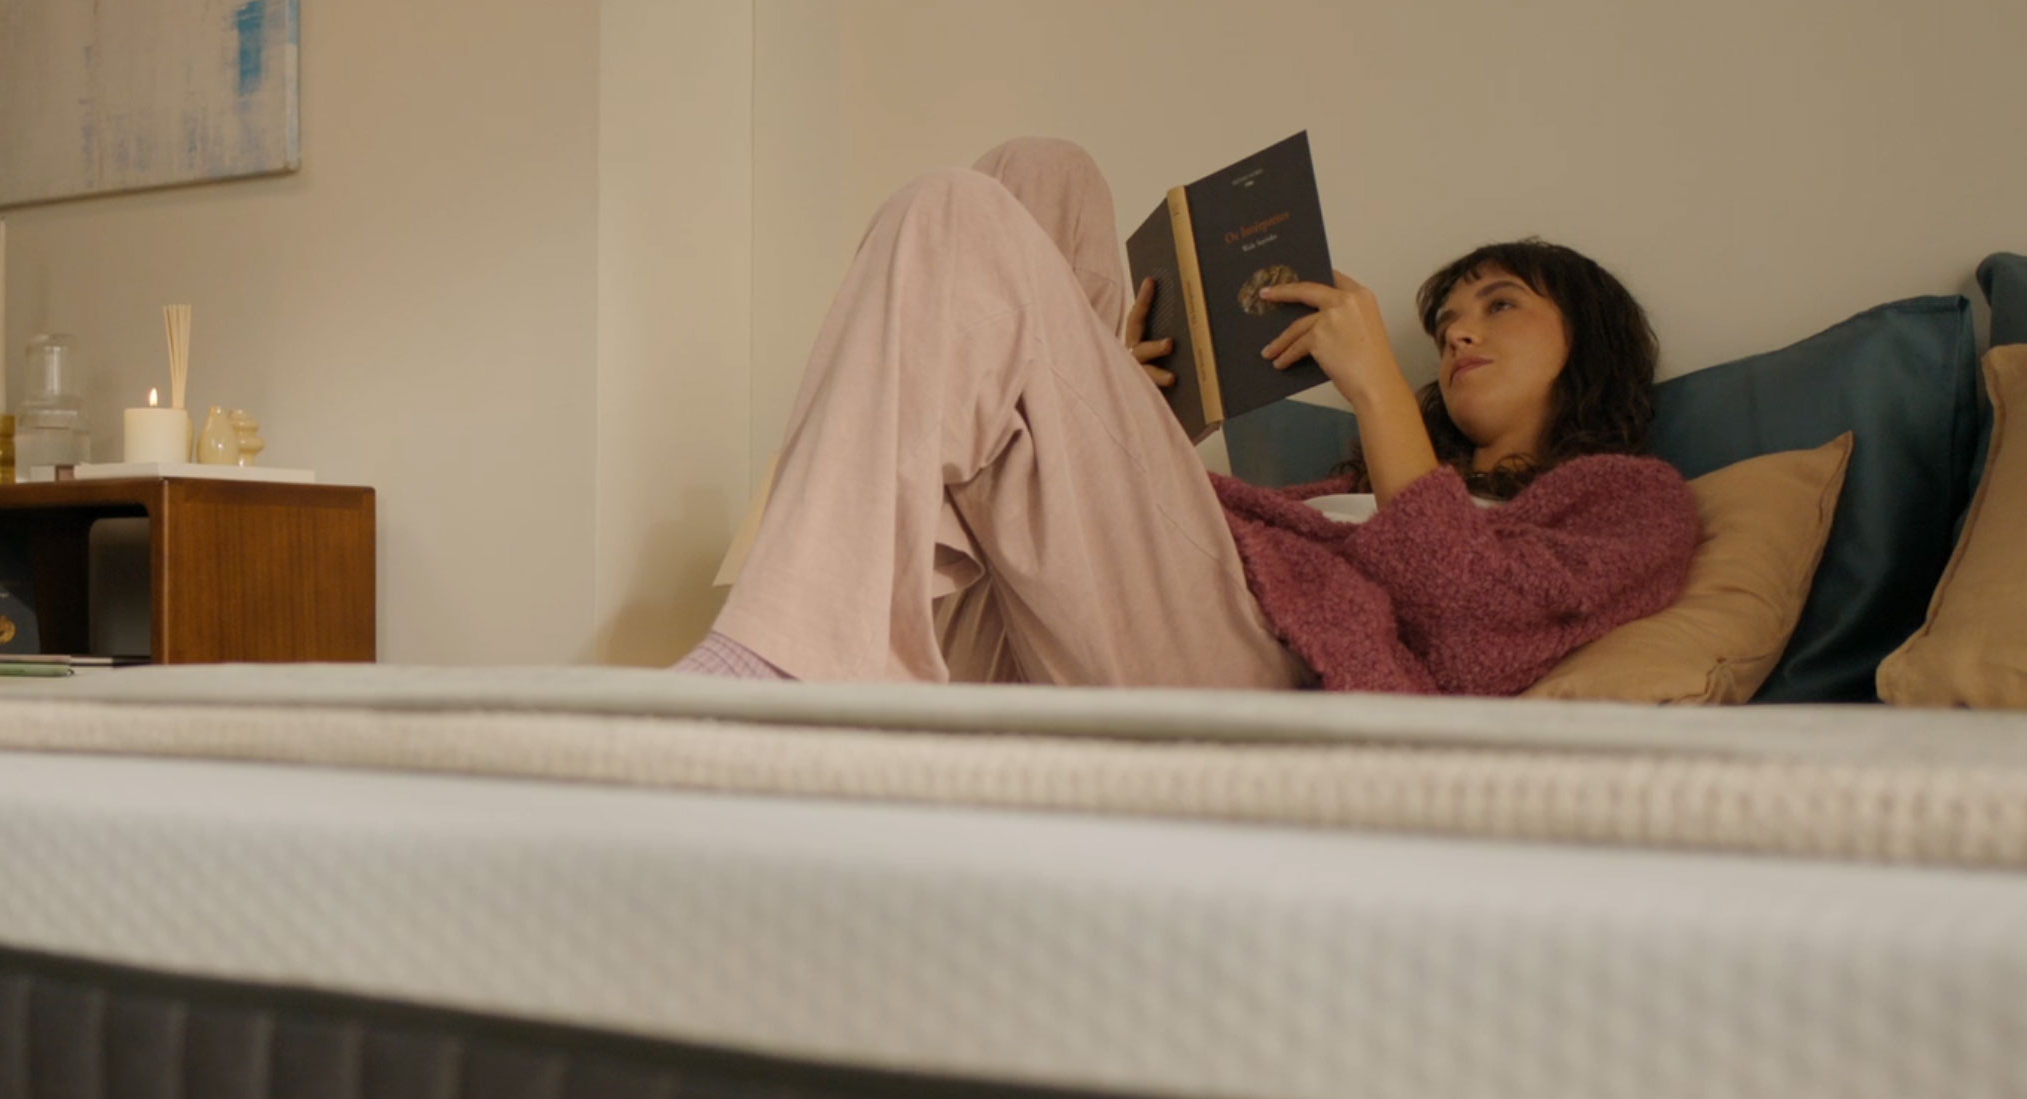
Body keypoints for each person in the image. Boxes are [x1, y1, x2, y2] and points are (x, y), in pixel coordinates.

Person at [678, 138, 1698, 694]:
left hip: (1266, 677)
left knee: (954, 214)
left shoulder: (1630, 499)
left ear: (1589, 343)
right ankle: (837, 646)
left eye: (1500, 305)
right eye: (1449, 320)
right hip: (1138, 630)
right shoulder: (1349, 484)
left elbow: (1471, 638)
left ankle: (779, 660)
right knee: (1045, 174)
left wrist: (1380, 391)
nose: (1460, 332)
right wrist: (1134, 414)